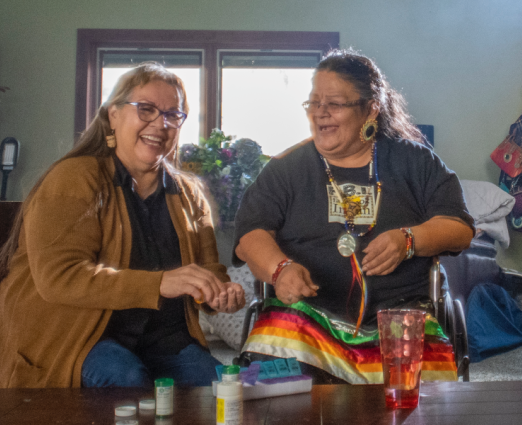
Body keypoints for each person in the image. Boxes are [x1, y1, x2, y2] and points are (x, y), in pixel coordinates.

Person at [233, 48, 475, 384]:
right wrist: (280, 269)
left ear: (370, 108)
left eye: (334, 103)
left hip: (400, 315)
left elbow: (459, 228)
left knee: (412, 401)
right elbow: (250, 235)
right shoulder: (286, 168)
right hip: (308, 317)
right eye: (314, 103)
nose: (321, 113)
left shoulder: (414, 161)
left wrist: (409, 240)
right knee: (275, 393)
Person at [0, 62, 245, 389]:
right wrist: (159, 283)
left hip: (161, 338)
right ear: (112, 115)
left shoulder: (190, 195)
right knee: (127, 377)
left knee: (221, 386)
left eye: (173, 115)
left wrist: (219, 293)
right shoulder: (74, 178)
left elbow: (209, 268)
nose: (160, 124)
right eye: (146, 109)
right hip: (76, 339)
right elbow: (59, 278)